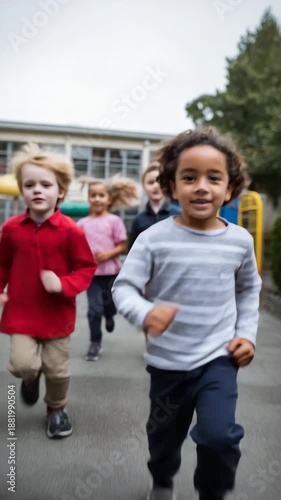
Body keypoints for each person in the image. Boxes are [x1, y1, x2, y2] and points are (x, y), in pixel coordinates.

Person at [112, 127, 262, 500]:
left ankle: (213, 491)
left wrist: (247, 335)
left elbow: (248, 290)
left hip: (218, 358)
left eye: (214, 178)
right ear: (171, 186)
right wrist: (145, 313)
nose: (201, 187)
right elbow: (124, 287)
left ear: (229, 189)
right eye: (189, 177)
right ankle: (162, 480)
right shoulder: (154, 238)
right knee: (163, 439)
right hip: (168, 363)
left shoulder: (240, 241)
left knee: (218, 436)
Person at [0, 143, 97, 439]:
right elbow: (2, 265)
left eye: (46, 184)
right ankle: (30, 379)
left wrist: (63, 284)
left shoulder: (71, 230)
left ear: (61, 192)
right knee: (22, 365)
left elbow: (85, 268)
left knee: (57, 371)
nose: (37, 190)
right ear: (22, 190)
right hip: (22, 313)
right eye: (29, 185)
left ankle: (56, 409)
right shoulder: (11, 228)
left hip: (57, 316)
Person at [77, 175, 140, 361]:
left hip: (112, 273)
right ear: (89, 198)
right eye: (93, 195)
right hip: (92, 275)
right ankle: (95, 343)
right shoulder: (81, 224)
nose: (97, 199)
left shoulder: (114, 221)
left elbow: (122, 245)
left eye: (101, 195)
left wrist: (107, 255)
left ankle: (110, 315)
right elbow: (77, 248)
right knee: (93, 310)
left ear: (109, 199)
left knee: (109, 305)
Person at [128, 161, 181, 249]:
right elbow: (132, 250)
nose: (156, 186)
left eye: (160, 182)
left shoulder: (178, 214)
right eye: (151, 182)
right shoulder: (139, 219)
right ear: (144, 186)